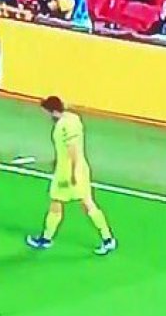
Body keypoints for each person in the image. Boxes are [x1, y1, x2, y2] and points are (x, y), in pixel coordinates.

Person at [27, 96, 117, 255]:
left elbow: (72, 148)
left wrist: (73, 173)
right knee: (87, 203)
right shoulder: (74, 118)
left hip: (68, 172)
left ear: (53, 111)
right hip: (80, 168)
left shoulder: (63, 125)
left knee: (57, 203)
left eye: (47, 113)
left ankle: (46, 239)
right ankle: (107, 238)